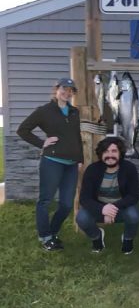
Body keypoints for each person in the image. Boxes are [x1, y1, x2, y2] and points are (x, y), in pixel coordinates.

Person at [17, 78, 83, 251]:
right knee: (45, 201)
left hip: (71, 165)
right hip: (52, 162)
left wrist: (80, 159)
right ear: (56, 89)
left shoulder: (74, 111)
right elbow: (22, 130)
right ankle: (45, 237)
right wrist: (42, 143)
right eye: (64, 88)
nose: (67, 92)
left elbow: (77, 137)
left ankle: (52, 232)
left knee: (67, 204)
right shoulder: (44, 111)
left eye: (71, 90)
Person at [76, 136, 139, 254]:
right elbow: (84, 198)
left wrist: (112, 208)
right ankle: (97, 237)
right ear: (101, 154)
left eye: (114, 151)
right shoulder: (92, 170)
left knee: (134, 215)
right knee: (81, 218)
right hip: (98, 208)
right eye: (106, 151)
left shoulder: (129, 168)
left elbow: (134, 196)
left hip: (121, 208)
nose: (110, 155)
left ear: (120, 153)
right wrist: (102, 209)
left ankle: (128, 239)